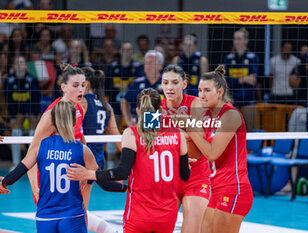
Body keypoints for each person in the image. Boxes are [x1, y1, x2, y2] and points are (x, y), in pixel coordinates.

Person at [67, 88, 191, 233]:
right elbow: (185, 176)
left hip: (139, 214)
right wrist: (183, 163)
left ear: (138, 110)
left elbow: (121, 173)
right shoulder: (178, 135)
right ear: (161, 110)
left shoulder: (132, 134)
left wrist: (88, 174)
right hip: (167, 215)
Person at [0, 101, 125, 233]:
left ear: (53, 121)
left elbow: (19, 171)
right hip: (72, 216)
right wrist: (129, 187)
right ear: (74, 122)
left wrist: (4, 183)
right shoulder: (82, 150)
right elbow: (104, 184)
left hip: (46, 216)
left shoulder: (39, 146)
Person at [25, 64, 112, 233]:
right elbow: (32, 155)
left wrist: (86, 167)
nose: (81, 89)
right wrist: (36, 190)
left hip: (73, 179)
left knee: (81, 217)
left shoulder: (78, 108)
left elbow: (80, 136)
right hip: (51, 185)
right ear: (63, 87)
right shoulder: (51, 115)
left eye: (83, 85)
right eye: (75, 86)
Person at [187, 65, 253, 233]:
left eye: (207, 90)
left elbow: (212, 154)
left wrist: (191, 129)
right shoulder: (206, 115)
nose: (201, 95)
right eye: (200, 90)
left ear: (220, 92)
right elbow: (197, 154)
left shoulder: (230, 115)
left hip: (234, 189)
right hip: (216, 188)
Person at [161, 64, 210, 233]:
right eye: (165, 82)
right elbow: (147, 144)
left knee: (192, 229)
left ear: (184, 84)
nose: (169, 87)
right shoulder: (155, 109)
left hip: (195, 175)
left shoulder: (196, 104)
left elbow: (197, 144)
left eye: (175, 82)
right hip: (167, 177)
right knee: (159, 227)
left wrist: (177, 133)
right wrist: (185, 134)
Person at [81, 67, 122, 170]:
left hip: (84, 157)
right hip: (99, 159)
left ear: (85, 84)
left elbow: (76, 131)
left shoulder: (83, 102)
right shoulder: (107, 106)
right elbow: (116, 135)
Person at [4, 55, 41, 169]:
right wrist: (13, 116)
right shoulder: (9, 80)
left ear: (25, 66)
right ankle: (16, 163)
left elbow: (36, 99)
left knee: (33, 127)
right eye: (17, 63)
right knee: (16, 126)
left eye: (22, 62)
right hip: (16, 109)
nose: (19, 65)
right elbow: (8, 100)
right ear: (14, 66)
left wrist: (34, 115)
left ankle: (31, 162)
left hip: (30, 108)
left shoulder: (32, 79)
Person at [223, 28, 259, 131]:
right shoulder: (229, 58)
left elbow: (253, 80)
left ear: (246, 41)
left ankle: (251, 148)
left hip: (249, 98)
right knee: (232, 130)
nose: (236, 41)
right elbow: (225, 80)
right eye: (235, 39)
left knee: (252, 129)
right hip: (233, 98)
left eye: (239, 39)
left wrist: (234, 80)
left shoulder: (253, 57)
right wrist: (242, 80)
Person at [121, 50, 164, 127]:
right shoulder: (137, 83)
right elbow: (124, 101)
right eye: (146, 63)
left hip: (163, 128)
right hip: (141, 128)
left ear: (160, 65)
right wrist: (129, 121)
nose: (147, 66)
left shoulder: (167, 83)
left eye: (151, 63)